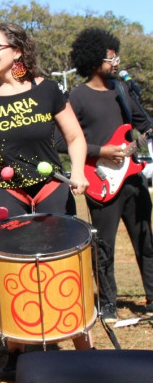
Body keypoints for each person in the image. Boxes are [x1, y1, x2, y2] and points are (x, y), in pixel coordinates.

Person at [0, 22, 90, 381]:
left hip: (51, 187)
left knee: (63, 267)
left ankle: (82, 347)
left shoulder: (47, 90)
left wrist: (78, 170)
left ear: (17, 51)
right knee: (11, 271)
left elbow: (74, 136)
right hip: (7, 191)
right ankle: (17, 351)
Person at [68, 28, 153, 323]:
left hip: (132, 177)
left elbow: (145, 124)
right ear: (94, 63)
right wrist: (101, 150)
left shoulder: (123, 90)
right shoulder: (76, 96)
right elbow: (62, 140)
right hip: (100, 179)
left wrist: (142, 135)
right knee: (104, 246)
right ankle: (107, 304)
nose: (116, 63)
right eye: (110, 58)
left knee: (146, 241)